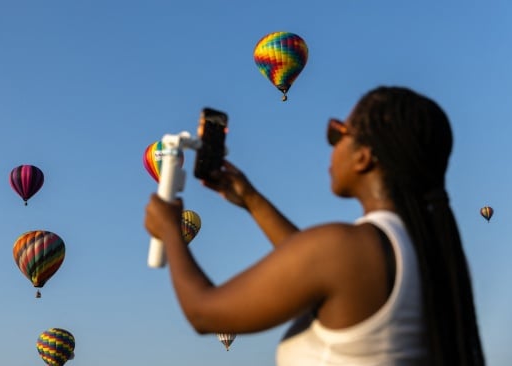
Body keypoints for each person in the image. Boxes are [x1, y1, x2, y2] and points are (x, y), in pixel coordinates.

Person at [144, 86, 485, 365]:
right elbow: (315, 269)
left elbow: (204, 313)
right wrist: (251, 200)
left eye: (337, 133)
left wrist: (171, 231)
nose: (331, 146)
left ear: (364, 156)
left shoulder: (345, 248)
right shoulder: (430, 252)